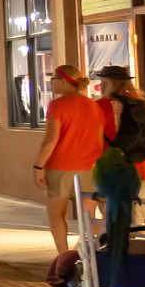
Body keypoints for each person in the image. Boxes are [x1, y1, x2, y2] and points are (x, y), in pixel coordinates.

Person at [34, 65, 104, 255]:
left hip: (60, 167)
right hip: (89, 168)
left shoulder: (56, 105)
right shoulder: (94, 106)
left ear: (65, 81)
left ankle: (63, 258)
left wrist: (38, 166)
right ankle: (91, 257)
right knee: (88, 217)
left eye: (53, 78)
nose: (51, 82)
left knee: (56, 214)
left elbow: (50, 139)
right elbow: (99, 144)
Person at [94, 66, 145, 224]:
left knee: (111, 218)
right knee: (136, 217)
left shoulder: (98, 107)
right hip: (141, 168)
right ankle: (136, 247)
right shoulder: (142, 105)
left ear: (107, 83)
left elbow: (95, 142)